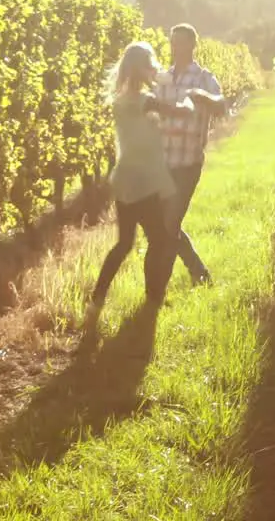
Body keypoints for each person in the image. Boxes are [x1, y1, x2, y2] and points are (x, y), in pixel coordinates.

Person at [81, 41, 197, 338]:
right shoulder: (143, 100)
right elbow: (180, 112)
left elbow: (148, 132)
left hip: (126, 179)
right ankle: (153, 299)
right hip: (142, 181)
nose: (154, 69)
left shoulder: (125, 99)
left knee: (125, 243)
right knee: (159, 239)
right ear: (139, 68)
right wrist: (189, 99)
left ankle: (97, 300)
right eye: (150, 65)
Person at [155, 23, 227, 284]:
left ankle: (162, 285)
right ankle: (199, 273)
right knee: (166, 224)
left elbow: (221, 105)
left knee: (169, 223)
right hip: (163, 164)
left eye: (181, 43)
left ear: (193, 46)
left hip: (188, 163)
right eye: (173, 43)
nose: (176, 48)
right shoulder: (163, 77)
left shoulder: (204, 78)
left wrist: (204, 97)